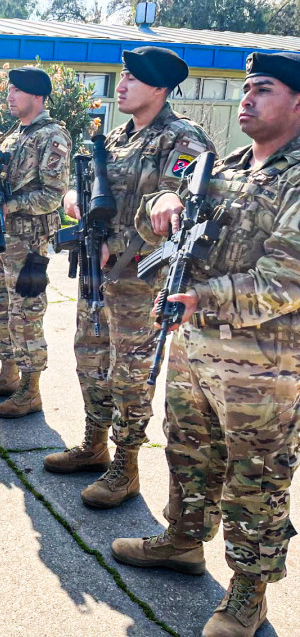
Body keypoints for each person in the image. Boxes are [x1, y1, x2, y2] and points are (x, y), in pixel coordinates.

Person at [113, 51, 300, 637]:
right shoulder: (226, 166)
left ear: (297, 102)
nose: (246, 98)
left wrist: (201, 299)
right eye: (245, 88)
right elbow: (160, 228)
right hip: (197, 354)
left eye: (262, 89)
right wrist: (160, 202)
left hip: (262, 371)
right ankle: (183, 541)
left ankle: (249, 592)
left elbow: (285, 280)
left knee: (256, 479)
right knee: (189, 451)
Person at [43, 46, 216, 509]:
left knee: (131, 375)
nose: (120, 86)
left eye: (131, 79)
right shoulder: (114, 139)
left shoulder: (182, 139)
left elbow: (181, 209)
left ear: (159, 87)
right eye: (121, 77)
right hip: (97, 276)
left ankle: (126, 465)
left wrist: (120, 246)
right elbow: (77, 187)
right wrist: (71, 203)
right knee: (89, 359)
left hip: (141, 282)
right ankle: (94, 443)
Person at [0, 67, 71, 417]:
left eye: (16, 91)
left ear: (37, 96)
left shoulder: (52, 137)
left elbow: (54, 194)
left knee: (26, 315)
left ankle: (30, 389)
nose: (9, 96)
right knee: (2, 309)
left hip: (29, 242)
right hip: (2, 239)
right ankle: (8, 374)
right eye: (10, 90)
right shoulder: (13, 135)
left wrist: (13, 204)